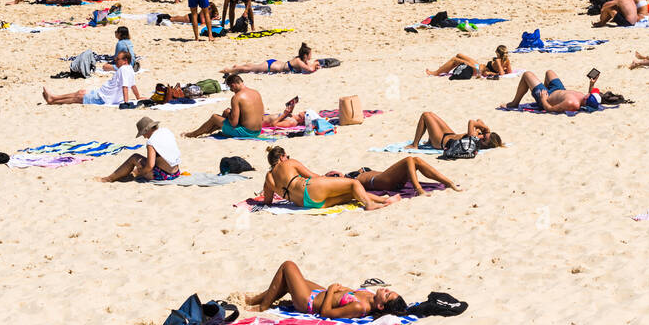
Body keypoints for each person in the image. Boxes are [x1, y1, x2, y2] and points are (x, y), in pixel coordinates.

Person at [247, 260, 407, 318]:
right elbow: (349, 293)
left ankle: (262, 306)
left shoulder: (359, 307)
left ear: (380, 306)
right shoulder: (369, 296)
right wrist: (343, 289)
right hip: (319, 294)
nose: (385, 290)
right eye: (389, 290)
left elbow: (326, 313)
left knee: (288, 266)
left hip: (309, 303)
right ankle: (252, 300)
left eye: (387, 294)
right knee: (288, 281)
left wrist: (331, 291)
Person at [258, 146, 391, 211]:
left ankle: (384, 200)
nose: (287, 158)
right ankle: (369, 204)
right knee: (353, 183)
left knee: (352, 194)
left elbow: (268, 201)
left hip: (305, 203)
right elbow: (313, 177)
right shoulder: (289, 163)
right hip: (310, 190)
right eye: (287, 156)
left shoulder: (268, 179)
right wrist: (327, 177)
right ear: (282, 157)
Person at [42, 49, 139, 105]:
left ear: (125, 60)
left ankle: (53, 100)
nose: (116, 61)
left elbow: (125, 87)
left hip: (104, 98)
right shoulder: (129, 69)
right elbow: (133, 85)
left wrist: (126, 103)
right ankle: (54, 97)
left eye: (118, 59)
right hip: (102, 94)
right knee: (80, 93)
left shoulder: (123, 69)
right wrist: (138, 97)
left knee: (78, 98)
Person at [183, 73, 265, 138]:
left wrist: (228, 114)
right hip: (257, 131)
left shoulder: (237, 97)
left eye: (231, 89)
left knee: (214, 117)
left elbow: (234, 123)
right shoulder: (256, 92)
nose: (232, 91)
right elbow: (261, 116)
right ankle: (208, 130)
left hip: (246, 133)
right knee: (227, 113)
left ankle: (193, 134)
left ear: (233, 85)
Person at [101, 117, 182, 182]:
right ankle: (130, 173)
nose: (144, 136)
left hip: (165, 175)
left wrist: (142, 172)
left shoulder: (151, 141)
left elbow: (150, 165)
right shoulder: (166, 131)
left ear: (148, 130)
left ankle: (109, 178)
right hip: (176, 172)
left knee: (134, 157)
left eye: (143, 133)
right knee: (141, 164)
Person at [336, 156, 463, 195]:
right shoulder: (348, 179)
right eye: (334, 175)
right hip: (379, 181)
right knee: (408, 159)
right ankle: (418, 189)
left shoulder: (358, 172)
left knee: (416, 160)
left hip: (388, 178)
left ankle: (448, 182)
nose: (336, 173)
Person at [505, 70, 602, 113]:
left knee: (527, 74)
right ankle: (543, 88)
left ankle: (515, 103)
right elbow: (590, 97)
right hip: (558, 89)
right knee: (549, 72)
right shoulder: (583, 98)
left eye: (590, 94)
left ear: (587, 98)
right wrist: (591, 84)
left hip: (547, 98)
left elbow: (550, 109)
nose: (590, 92)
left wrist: (543, 100)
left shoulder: (572, 103)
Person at [407, 111, 502, 150]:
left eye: (484, 139)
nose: (482, 137)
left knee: (425, 115)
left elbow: (471, 122)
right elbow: (479, 120)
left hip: (441, 141)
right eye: (484, 135)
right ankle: (429, 141)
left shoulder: (474, 142)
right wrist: (485, 130)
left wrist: (483, 129)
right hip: (450, 135)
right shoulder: (478, 137)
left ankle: (415, 144)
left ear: (486, 145)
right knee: (430, 114)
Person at [222, 42, 320, 75]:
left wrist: (313, 64)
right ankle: (229, 70)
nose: (311, 56)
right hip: (271, 66)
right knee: (250, 69)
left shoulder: (301, 60)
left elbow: (308, 66)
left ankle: (238, 66)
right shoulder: (299, 61)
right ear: (305, 55)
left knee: (254, 66)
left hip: (274, 63)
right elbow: (310, 69)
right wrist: (316, 64)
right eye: (310, 54)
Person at [426, 45, 512, 79]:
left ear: (497, 53)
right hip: (479, 66)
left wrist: (492, 72)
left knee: (455, 59)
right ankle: (445, 69)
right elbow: (509, 72)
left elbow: (502, 74)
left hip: (479, 70)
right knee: (459, 55)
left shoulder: (498, 60)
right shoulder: (507, 61)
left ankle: (437, 72)